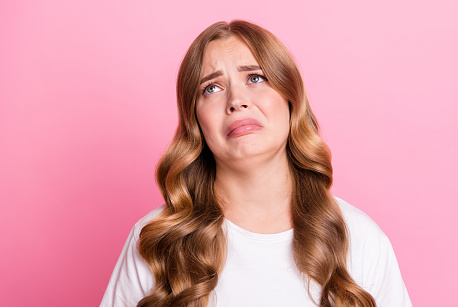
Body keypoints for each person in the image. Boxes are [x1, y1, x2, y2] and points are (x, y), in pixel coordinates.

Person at [100, 20, 412, 307]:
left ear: (291, 100)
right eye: (211, 88)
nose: (236, 100)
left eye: (256, 78)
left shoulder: (360, 238)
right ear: (196, 120)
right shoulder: (158, 240)